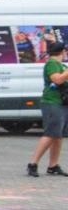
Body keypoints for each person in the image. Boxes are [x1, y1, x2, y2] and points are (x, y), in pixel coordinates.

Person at [27, 39, 68, 177]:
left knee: (58, 136)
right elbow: (57, 79)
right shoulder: (52, 64)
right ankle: (33, 163)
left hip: (61, 103)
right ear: (62, 51)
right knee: (50, 134)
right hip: (51, 102)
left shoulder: (61, 65)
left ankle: (53, 165)